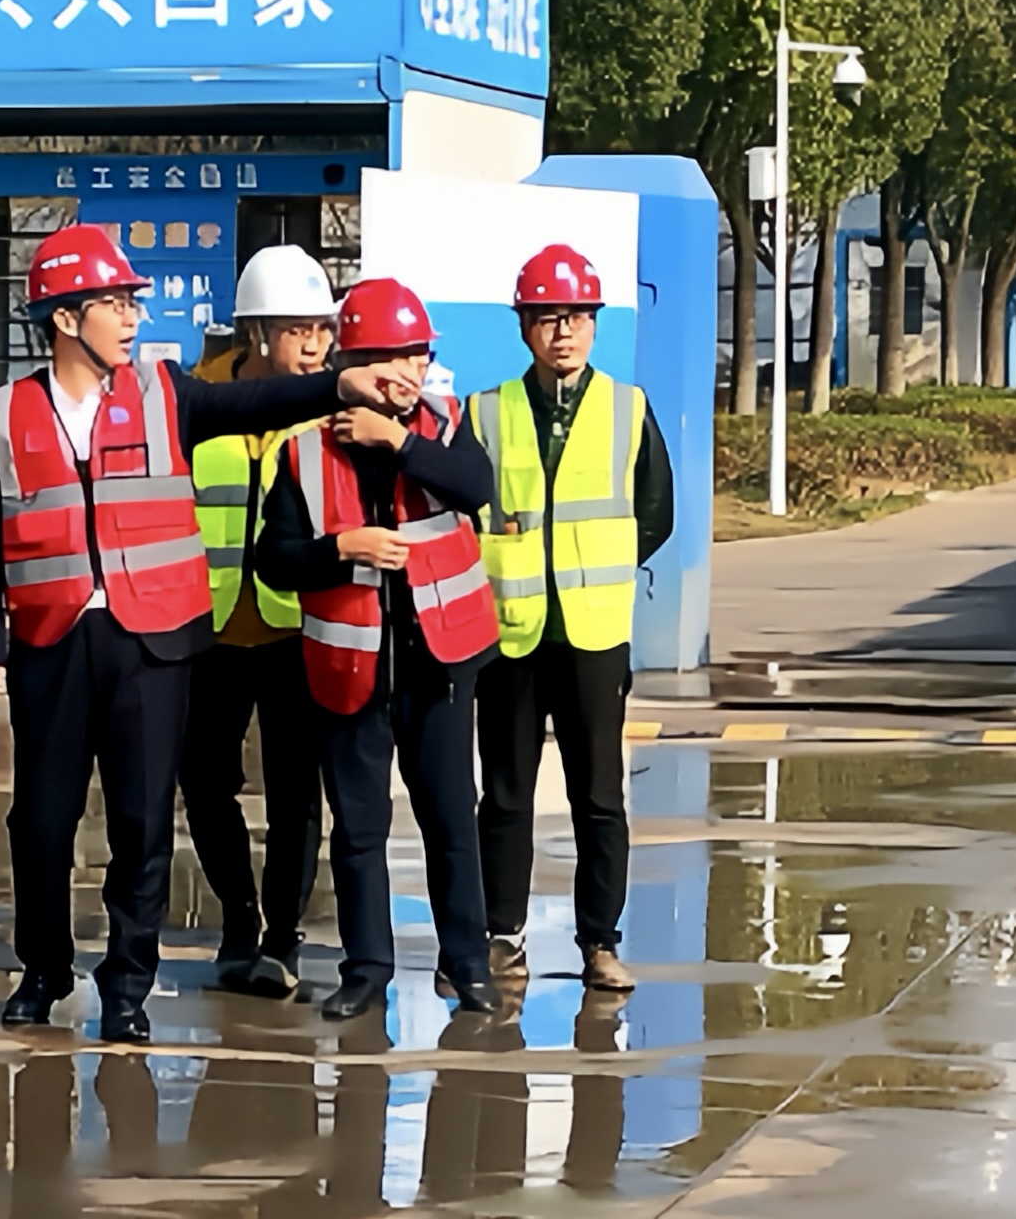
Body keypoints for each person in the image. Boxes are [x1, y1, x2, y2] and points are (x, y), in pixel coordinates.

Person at [0, 223, 376, 1043]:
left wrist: (343, 383)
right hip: (52, 637)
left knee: (143, 821)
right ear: (67, 318)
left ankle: (127, 987)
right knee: (40, 819)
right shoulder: (2, 416)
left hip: (155, 641)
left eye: (131, 301)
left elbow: (257, 399)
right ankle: (43, 969)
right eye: (116, 303)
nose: (132, 317)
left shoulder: (164, 391)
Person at [250, 274, 505, 1027]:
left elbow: (475, 486)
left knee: (450, 818)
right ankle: (367, 970)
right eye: (386, 357)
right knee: (358, 829)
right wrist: (339, 548)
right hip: (347, 666)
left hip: (439, 659)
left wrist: (399, 441)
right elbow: (273, 560)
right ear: (349, 364)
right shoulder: (302, 453)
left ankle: (466, 964)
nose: (404, 373)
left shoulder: (444, 424)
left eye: (416, 356)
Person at [469, 242, 675, 998]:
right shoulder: (486, 412)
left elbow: (656, 510)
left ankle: (599, 941)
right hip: (513, 633)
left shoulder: (629, 409)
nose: (564, 331)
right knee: (508, 795)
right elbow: (465, 508)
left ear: (596, 325)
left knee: (598, 797)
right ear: (524, 326)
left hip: (591, 632)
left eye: (577, 316)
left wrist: (598, 565)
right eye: (548, 317)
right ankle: (504, 937)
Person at [182, 242, 342, 998]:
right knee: (207, 783)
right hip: (204, 630)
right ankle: (237, 922)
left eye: (323, 330)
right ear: (254, 333)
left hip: (293, 628)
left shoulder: (331, 412)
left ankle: (281, 936)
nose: (315, 346)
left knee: (294, 796)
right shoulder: (192, 400)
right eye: (298, 330)